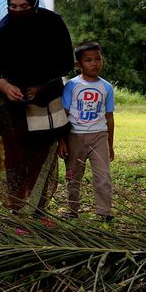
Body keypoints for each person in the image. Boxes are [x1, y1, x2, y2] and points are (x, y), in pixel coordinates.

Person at [0, 0, 73, 215]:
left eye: (24, 7)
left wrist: (39, 87)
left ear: (34, 4)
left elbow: (64, 62)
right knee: (14, 156)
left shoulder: (52, 24)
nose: (18, 11)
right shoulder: (3, 29)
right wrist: (5, 86)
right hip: (12, 106)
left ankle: (37, 205)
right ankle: (15, 205)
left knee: (42, 153)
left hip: (46, 102)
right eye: (12, 6)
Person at [59, 41, 115, 220]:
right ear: (78, 65)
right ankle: (72, 210)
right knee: (73, 175)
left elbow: (109, 117)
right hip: (75, 136)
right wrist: (62, 141)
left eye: (98, 59)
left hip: (99, 136)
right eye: (89, 60)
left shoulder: (106, 87)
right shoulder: (72, 86)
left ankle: (104, 212)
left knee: (103, 176)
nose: (94, 63)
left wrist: (110, 144)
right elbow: (65, 114)